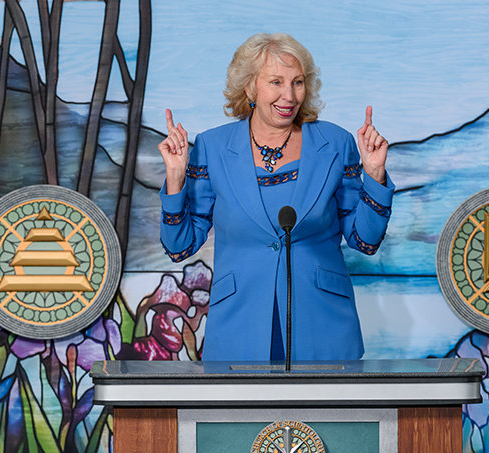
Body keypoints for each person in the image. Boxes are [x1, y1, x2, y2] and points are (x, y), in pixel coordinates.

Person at [158, 33, 394, 361]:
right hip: (238, 326)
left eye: (298, 82)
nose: (289, 95)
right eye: (276, 82)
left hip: (323, 326)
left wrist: (375, 175)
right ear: (249, 87)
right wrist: (175, 177)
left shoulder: (336, 143)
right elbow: (179, 246)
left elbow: (364, 240)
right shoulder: (212, 148)